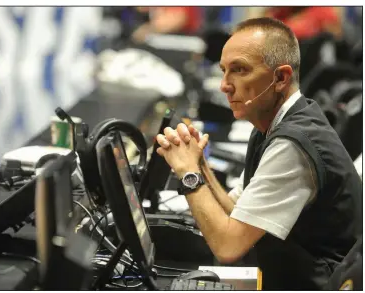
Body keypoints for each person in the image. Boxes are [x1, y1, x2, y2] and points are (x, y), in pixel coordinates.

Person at [155, 17, 362, 290]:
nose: (224, 85)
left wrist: (188, 174)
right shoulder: (271, 122)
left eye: (239, 70)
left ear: (281, 78)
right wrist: (201, 166)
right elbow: (238, 212)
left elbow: (228, 247)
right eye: (224, 70)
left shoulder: (292, 145)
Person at [131, 7, 202, 43]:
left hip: (183, 41)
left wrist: (146, 30)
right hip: (158, 41)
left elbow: (175, 20)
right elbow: (140, 8)